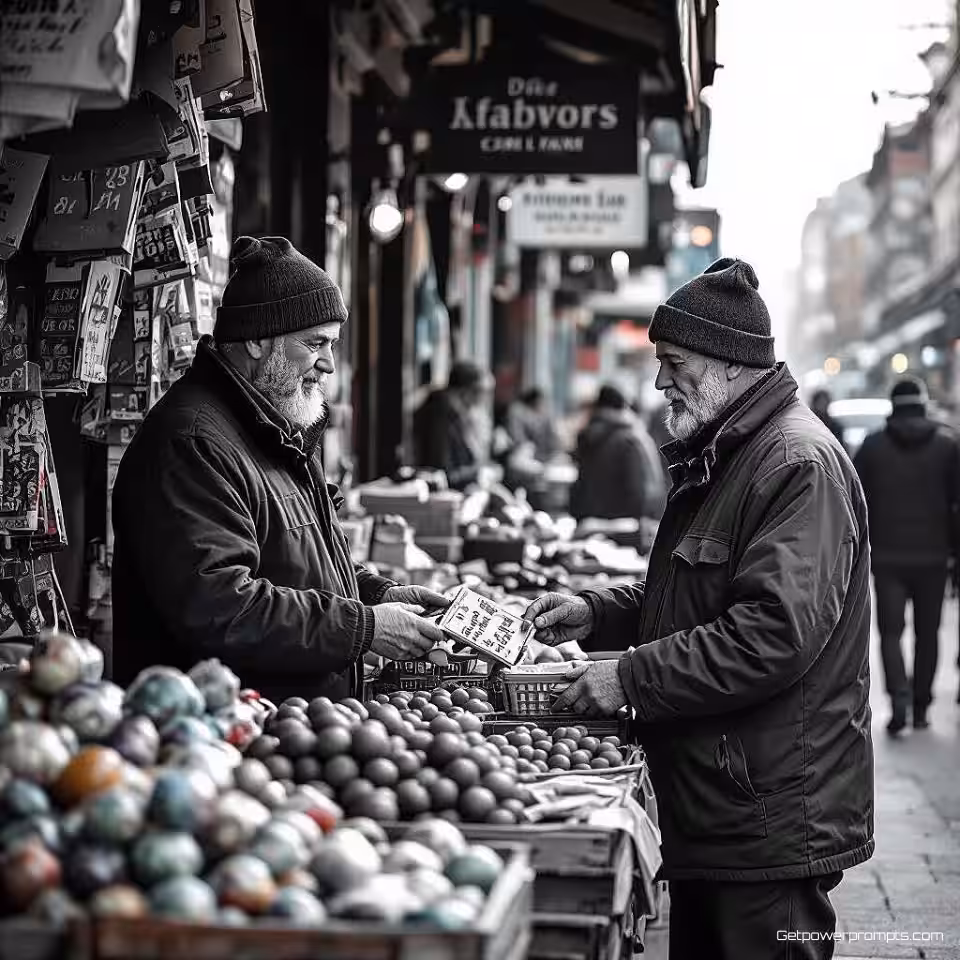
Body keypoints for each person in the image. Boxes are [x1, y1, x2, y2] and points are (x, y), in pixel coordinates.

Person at [525, 258, 874, 960]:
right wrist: (598, 614)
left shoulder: (794, 465)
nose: (660, 382)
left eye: (674, 362)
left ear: (731, 363)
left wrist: (629, 677)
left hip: (768, 814)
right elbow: (697, 595)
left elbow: (770, 634)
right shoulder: (730, 452)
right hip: (724, 802)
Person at [111, 236, 449, 703]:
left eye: (332, 344)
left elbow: (296, 565)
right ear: (256, 339)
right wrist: (363, 627)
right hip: (224, 726)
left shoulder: (272, 425)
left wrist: (374, 595)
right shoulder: (191, 443)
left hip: (292, 723)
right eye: (315, 344)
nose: (328, 364)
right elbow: (220, 607)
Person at [853, 376, 960, 734]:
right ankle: (921, 706)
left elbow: (853, 502)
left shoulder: (872, 447)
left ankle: (898, 695)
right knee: (928, 633)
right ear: (923, 404)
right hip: (934, 556)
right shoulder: (947, 446)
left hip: (887, 558)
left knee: (891, 633)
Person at [569, 384, 666, 522]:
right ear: (624, 407)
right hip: (625, 527)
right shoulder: (634, 438)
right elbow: (645, 495)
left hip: (588, 524)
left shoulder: (588, 436)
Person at [413, 360, 493, 490]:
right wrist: (477, 474)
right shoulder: (439, 416)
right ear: (463, 391)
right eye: (478, 392)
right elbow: (444, 474)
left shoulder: (458, 415)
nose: (482, 399)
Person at [506, 387, 559, 462]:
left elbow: (551, 437)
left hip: (542, 454)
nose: (541, 405)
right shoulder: (517, 412)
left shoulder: (544, 415)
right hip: (523, 452)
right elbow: (518, 437)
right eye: (538, 402)